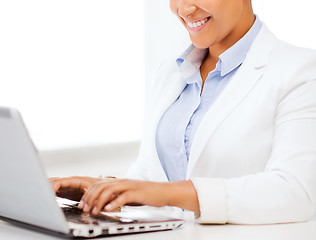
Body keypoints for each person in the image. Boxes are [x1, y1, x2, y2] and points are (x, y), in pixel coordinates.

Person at [51, 0, 316, 224]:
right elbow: (149, 179)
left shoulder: (301, 71)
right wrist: (101, 189)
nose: (185, 8)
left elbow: (296, 193)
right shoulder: (170, 73)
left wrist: (167, 193)